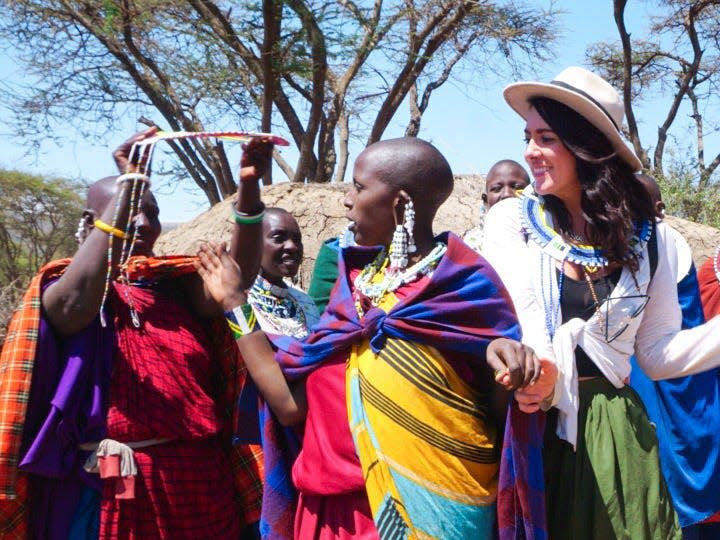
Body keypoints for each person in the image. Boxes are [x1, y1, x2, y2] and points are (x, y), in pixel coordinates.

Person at [197, 136, 548, 539]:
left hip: (434, 512)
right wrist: (235, 302)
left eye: (359, 187)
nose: (347, 200)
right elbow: (290, 405)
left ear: (399, 205)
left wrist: (503, 356)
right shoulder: (353, 291)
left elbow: (499, 413)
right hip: (335, 516)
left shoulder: (465, 287)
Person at [482, 66, 720, 540]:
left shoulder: (656, 243)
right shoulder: (515, 223)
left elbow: (655, 353)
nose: (530, 152)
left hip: (617, 433)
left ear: (585, 145)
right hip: (537, 425)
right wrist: (542, 377)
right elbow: (529, 321)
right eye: (528, 136)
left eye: (545, 138)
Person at [0, 128, 272, 539]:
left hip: (198, 483)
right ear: (93, 223)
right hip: (106, 484)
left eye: (152, 211)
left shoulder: (175, 287)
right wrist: (130, 184)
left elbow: (235, 279)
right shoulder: (62, 290)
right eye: (129, 211)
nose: (143, 223)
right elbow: (76, 307)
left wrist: (248, 191)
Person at [629, 173, 720, 539]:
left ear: (659, 211)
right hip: (645, 391)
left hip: (688, 393)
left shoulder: (669, 248)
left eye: (640, 209)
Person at [464, 159, 530, 252]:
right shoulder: (471, 246)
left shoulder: (545, 238)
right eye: (497, 188)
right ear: (485, 200)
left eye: (516, 187)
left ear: (532, 195)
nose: (507, 194)